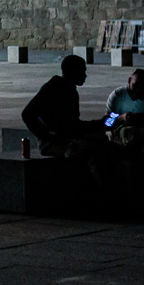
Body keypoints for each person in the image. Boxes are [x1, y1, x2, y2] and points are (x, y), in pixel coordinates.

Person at [21, 54, 119, 197]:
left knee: (107, 144)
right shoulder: (52, 88)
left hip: (66, 138)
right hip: (53, 143)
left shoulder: (70, 90)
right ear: (72, 72)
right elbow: (27, 114)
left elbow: (73, 125)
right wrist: (47, 137)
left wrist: (101, 123)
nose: (85, 75)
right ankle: (105, 195)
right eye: (82, 71)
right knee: (96, 150)